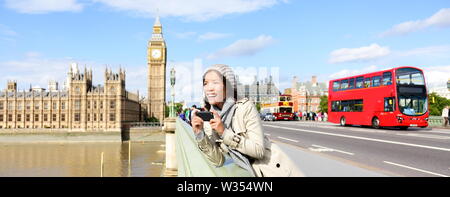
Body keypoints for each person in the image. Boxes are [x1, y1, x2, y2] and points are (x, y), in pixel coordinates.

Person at [191, 64, 303, 177]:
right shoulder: (211, 118)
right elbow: (218, 160)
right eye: (205, 83)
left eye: (215, 82)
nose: (209, 88)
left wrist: (224, 132)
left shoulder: (245, 107)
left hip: (275, 171)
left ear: (228, 87)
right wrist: (200, 134)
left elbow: (259, 151)